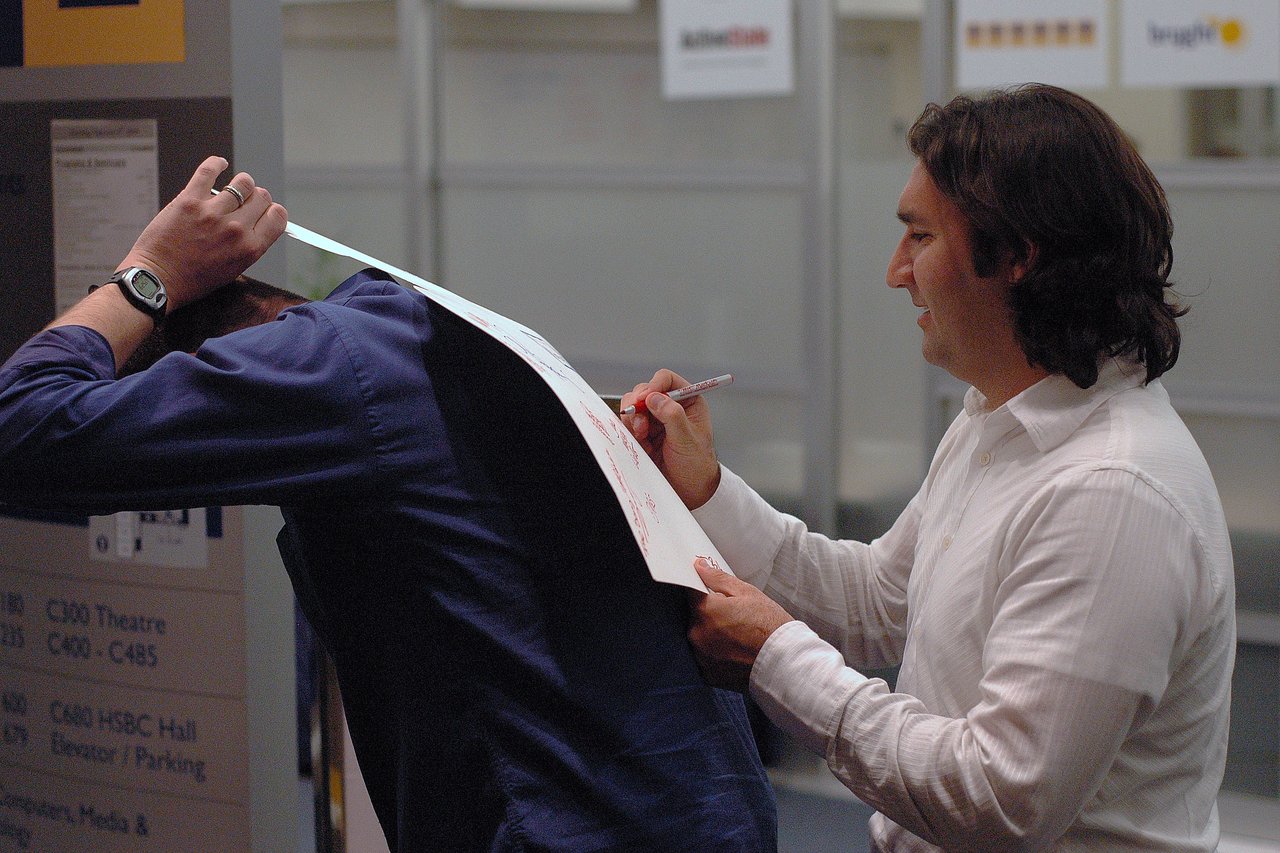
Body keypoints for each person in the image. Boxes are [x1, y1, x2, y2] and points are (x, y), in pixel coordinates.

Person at [0, 157, 777, 851]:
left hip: (577, 822)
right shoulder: (422, 328)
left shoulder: (316, 367)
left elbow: (21, 427)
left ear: (213, 363)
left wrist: (147, 272)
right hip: (704, 807)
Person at [623, 84, 1235, 851]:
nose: (895, 272)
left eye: (919, 237)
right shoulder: (1000, 419)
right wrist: (704, 488)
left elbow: (999, 802)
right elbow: (879, 599)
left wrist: (775, 658)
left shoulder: (1111, 492)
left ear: (1016, 255)